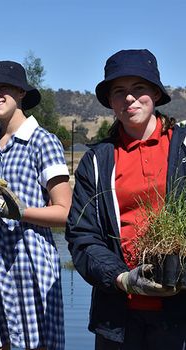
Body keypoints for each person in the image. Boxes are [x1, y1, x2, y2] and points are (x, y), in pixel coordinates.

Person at [65, 48, 186, 350]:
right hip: (117, 317)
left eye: (139, 88)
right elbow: (82, 236)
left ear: (156, 94)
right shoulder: (96, 161)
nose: (129, 98)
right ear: (110, 102)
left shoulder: (184, 149)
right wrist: (122, 278)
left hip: (180, 314)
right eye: (119, 91)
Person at [0, 60, 72, 350]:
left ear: (21, 92)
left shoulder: (43, 142)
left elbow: (65, 211)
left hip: (31, 265)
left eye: (3, 88)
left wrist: (20, 212)